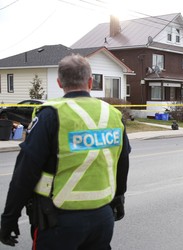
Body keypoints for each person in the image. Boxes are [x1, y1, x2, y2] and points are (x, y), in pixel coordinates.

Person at [0, 54, 131, 249]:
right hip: (102, 218)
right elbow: (123, 161)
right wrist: (119, 197)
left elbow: (25, 171)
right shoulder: (112, 114)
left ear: (59, 82)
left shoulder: (50, 115)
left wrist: (9, 218)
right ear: (90, 81)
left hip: (58, 220)